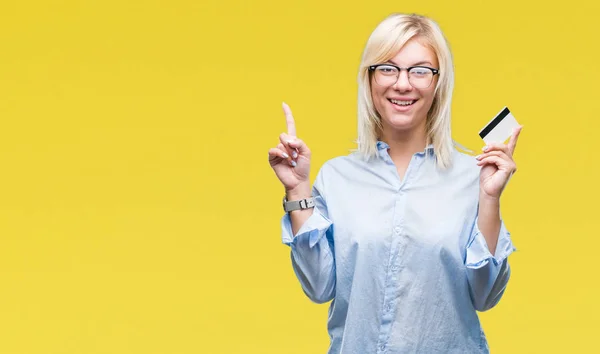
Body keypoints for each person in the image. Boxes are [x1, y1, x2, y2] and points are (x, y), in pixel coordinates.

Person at [268, 12, 522, 354]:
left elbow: (485, 296)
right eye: (388, 68)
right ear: (370, 79)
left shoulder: (473, 176)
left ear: (438, 82)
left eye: (419, 70)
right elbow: (318, 287)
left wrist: (490, 199)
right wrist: (297, 191)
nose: (402, 83)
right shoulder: (337, 177)